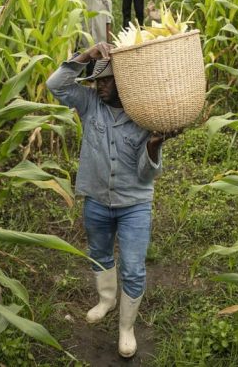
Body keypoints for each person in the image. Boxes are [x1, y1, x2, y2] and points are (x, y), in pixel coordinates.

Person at [45, 42, 179, 358]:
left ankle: (126, 328)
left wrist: (154, 145)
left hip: (134, 205)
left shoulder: (144, 117)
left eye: (106, 80)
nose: (99, 86)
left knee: (133, 268)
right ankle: (106, 300)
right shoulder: (89, 103)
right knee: (99, 254)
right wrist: (86, 56)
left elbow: (146, 175)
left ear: (124, 83)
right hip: (96, 199)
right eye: (97, 81)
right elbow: (55, 85)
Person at [77, 0, 113, 76]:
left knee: (96, 71)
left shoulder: (104, 0)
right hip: (84, 41)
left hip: (99, 41)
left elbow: (108, 22)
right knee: (82, 66)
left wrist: (109, 42)